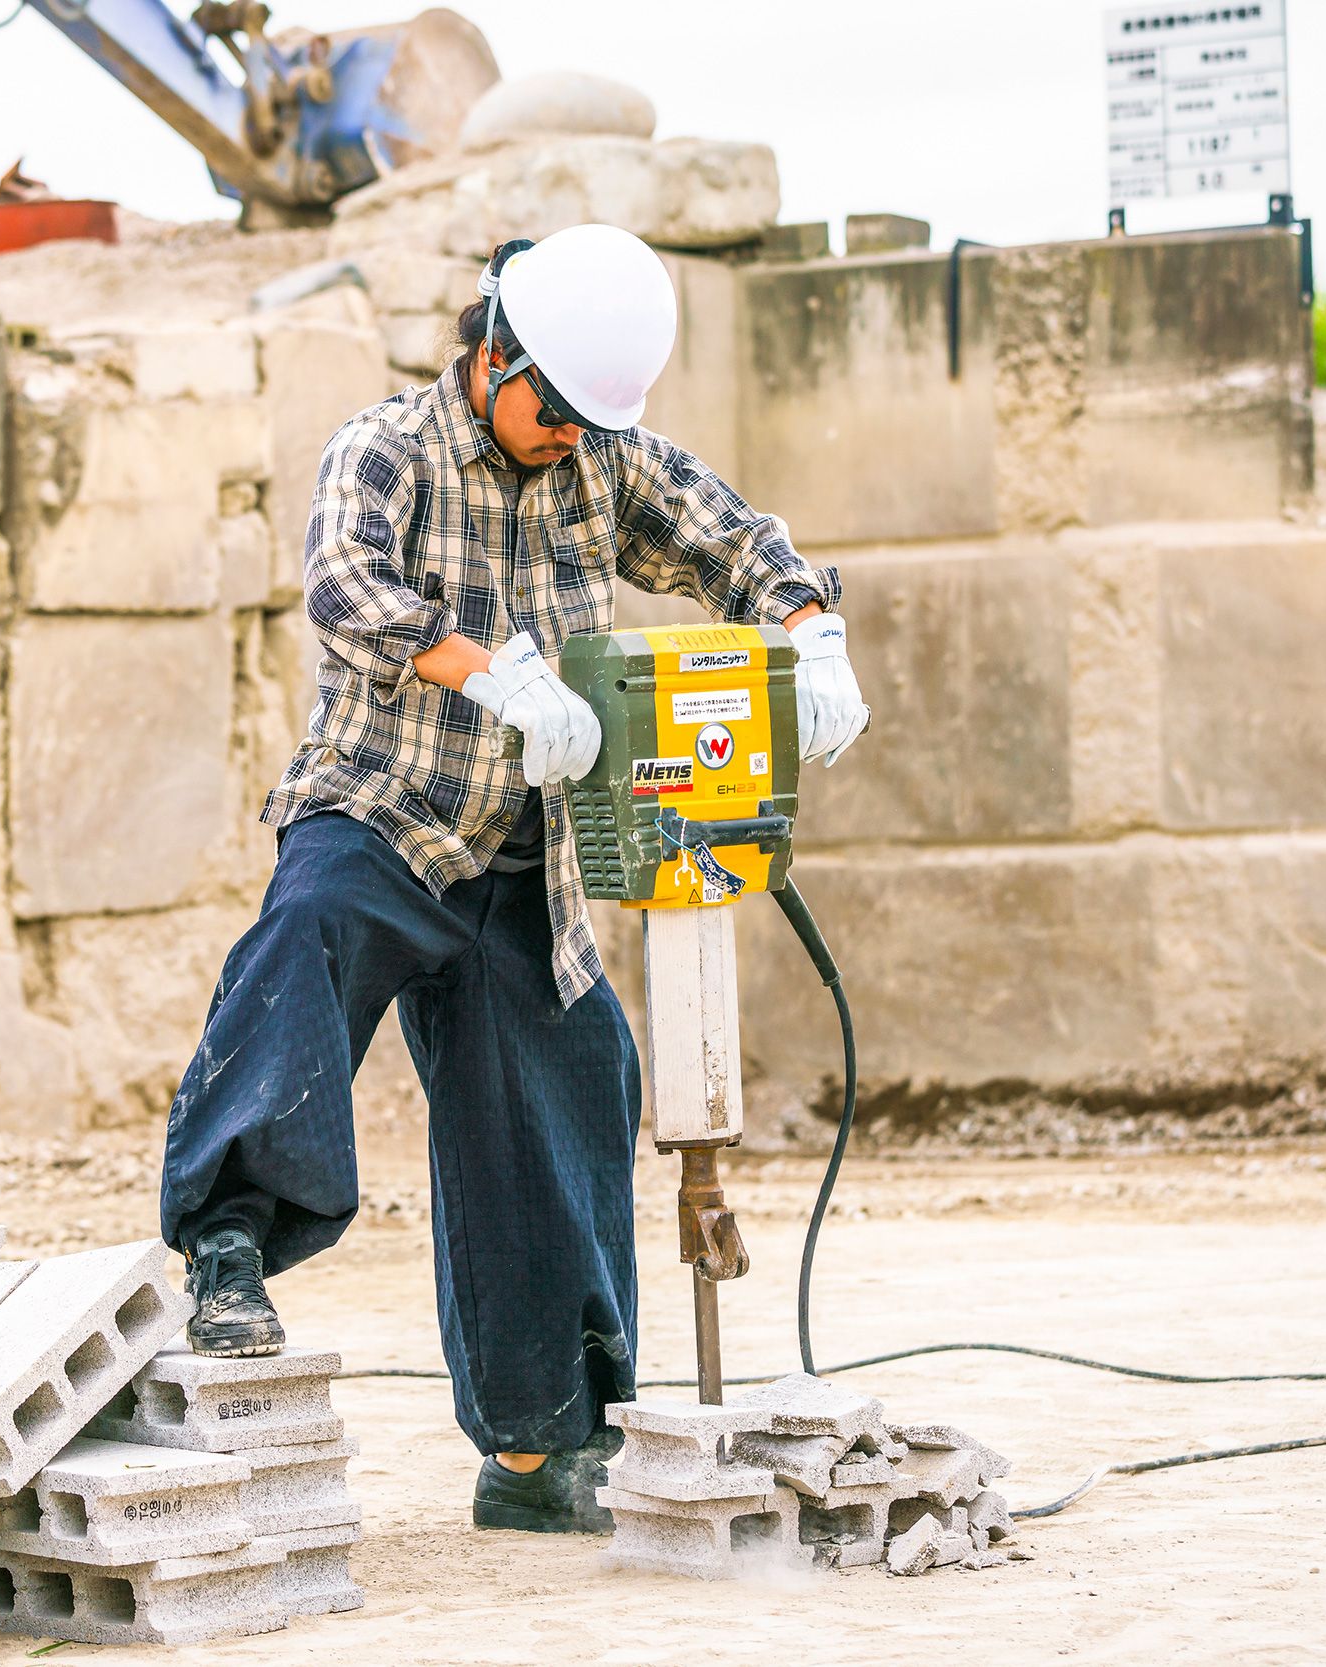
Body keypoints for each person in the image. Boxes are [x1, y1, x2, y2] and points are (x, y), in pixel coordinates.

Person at [157, 223, 870, 1533]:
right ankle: (229, 1247)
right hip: (382, 808)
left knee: (571, 1087)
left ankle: (543, 1459)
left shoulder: (602, 459)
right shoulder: (388, 447)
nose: (564, 434)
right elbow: (344, 584)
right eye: (549, 404)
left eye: (589, 418)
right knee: (308, 932)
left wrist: (812, 638)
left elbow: (736, 541)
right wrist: (490, 668)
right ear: (491, 352)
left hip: (524, 859)